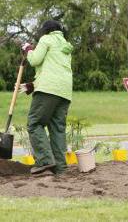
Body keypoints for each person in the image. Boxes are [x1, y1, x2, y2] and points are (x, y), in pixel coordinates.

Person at [21, 20, 73, 174]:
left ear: (46, 31)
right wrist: (33, 85)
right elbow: (53, 70)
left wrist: (28, 49)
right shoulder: (65, 45)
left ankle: (44, 161)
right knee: (57, 128)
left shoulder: (46, 39)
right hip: (64, 92)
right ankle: (60, 168)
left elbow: (35, 60)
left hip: (48, 90)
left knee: (34, 123)